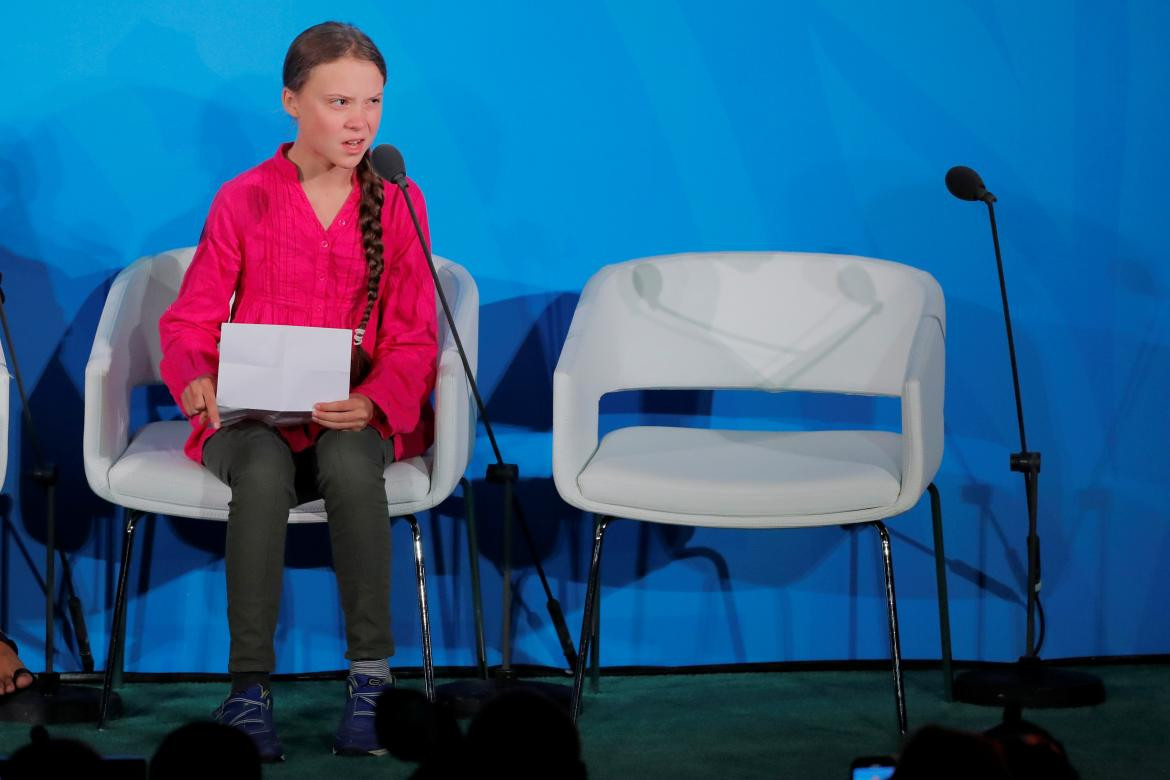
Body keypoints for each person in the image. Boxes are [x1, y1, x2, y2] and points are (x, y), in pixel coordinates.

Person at [158, 21, 438, 762]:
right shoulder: (244, 198)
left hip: (355, 416)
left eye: (372, 102)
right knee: (259, 467)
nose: (360, 121)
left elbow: (414, 337)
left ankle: (372, 680)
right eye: (339, 101)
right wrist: (195, 376)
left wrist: (375, 401)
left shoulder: (399, 200)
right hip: (255, 420)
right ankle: (248, 689)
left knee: (350, 461)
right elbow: (190, 319)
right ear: (291, 101)